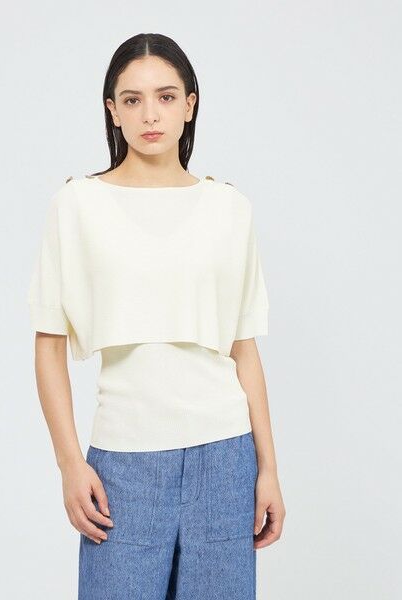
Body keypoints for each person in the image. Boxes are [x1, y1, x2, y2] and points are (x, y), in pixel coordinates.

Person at [27, 32, 285, 600]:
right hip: (123, 462)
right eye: (133, 99)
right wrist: (70, 464)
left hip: (226, 457)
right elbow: (49, 344)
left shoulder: (229, 207)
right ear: (112, 110)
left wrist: (268, 468)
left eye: (166, 97)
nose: (150, 114)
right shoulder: (77, 205)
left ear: (190, 105)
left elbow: (243, 347)